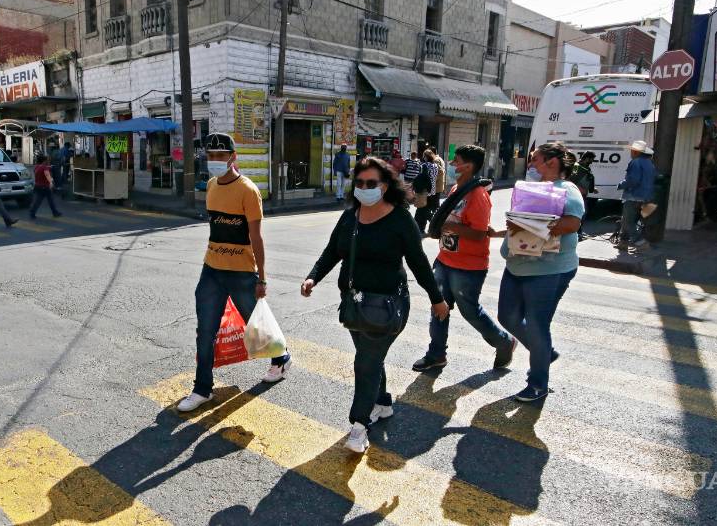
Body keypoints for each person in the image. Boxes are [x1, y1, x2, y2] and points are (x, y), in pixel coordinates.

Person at [301, 156, 449, 452]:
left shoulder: (399, 219)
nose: (364, 188)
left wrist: (437, 299)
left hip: (388, 306)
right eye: (359, 183)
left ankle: (358, 426)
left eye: (372, 183)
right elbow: (332, 251)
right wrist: (313, 278)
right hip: (355, 304)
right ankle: (381, 402)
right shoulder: (350, 216)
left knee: (365, 361)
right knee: (370, 358)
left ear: (386, 185)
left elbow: (419, 263)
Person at [176, 133, 292, 413]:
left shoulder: (248, 191)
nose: (215, 160)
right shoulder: (212, 186)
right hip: (211, 271)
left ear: (233, 156)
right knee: (205, 331)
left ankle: (281, 357)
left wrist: (261, 278)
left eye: (221, 155)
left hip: (241, 273)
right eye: (211, 155)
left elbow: (256, 238)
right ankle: (202, 388)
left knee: (257, 324)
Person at [412, 145, 515, 373]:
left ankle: (504, 342)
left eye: (456, 161)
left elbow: (478, 233)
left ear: (469, 166)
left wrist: (449, 226)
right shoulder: (458, 189)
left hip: (468, 267)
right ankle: (436, 354)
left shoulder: (477, 195)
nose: (451, 165)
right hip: (445, 259)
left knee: (470, 311)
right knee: (439, 308)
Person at [498, 142, 585, 402]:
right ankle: (544, 352)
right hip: (516, 265)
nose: (531, 164)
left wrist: (526, 223)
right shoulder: (531, 187)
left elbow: (571, 224)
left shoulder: (567, 190)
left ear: (552, 162)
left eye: (535, 159)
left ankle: (537, 384)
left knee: (537, 326)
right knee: (507, 317)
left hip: (549, 270)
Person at [616, 140, 656, 247]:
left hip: (634, 196)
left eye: (632, 150)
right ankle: (623, 242)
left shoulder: (635, 162)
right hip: (646, 197)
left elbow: (633, 180)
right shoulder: (649, 164)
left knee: (628, 222)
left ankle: (640, 242)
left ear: (636, 152)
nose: (631, 152)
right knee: (628, 220)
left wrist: (621, 185)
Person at [29, 154, 62, 219]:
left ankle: (32, 211)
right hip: (45, 186)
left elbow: (43, 170)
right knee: (50, 200)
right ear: (44, 161)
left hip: (37, 186)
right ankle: (55, 212)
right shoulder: (44, 168)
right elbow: (47, 176)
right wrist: (51, 183)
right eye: (46, 160)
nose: (47, 161)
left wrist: (50, 167)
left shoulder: (37, 167)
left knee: (38, 200)